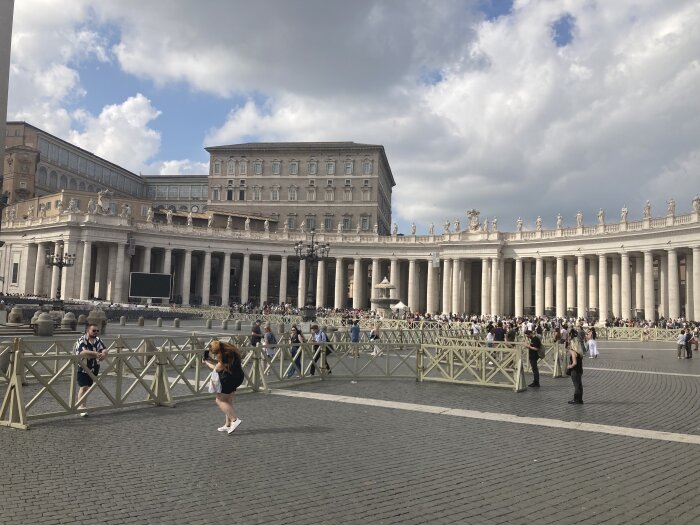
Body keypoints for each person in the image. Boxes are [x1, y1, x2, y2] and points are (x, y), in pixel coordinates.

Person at [202, 340, 244, 434]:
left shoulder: (224, 355)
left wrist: (206, 362)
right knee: (228, 401)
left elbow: (216, 368)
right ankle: (227, 424)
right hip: (238, 377)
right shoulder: (230, 351)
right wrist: (211, 360)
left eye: (215, 353)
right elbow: (222, 364)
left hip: (229, 379)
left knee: (219, 400)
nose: (215, 354)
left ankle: (234, 420)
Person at [74, 324, 107, 416]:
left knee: (88, 387)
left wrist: (104, 353)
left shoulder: (98, 340)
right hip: (83, 366)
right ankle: (82, 407)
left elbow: (104, 348)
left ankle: (83, 404)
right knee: (83, 387)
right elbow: (82, 351)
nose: (96, 332)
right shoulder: (81, 340)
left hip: (94, 366)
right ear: (87, 331)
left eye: (97, 331)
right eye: (94, 330)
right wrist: (96, 353)